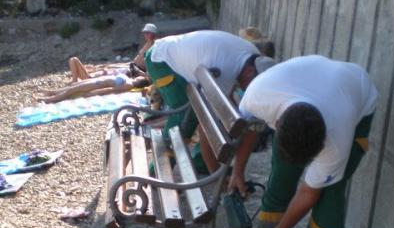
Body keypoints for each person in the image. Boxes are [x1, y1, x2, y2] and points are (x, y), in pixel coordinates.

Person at [229, 55, 378, 228]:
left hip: (355, 95)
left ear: (322, 142)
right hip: (316, 87)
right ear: (277, 124)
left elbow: (309, 192)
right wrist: (237, 171)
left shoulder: (338, 137)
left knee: (330, 194)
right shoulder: (258, 97)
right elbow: (248, 131)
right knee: (279, 183)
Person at [144, 29, 276, 140]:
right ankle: (166, 153)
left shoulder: (253, 54)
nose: (250, 89)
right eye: (253, 85)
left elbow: (228, 97)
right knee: (185, 116)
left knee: (192, 113)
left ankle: (181, 152)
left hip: (168, 50)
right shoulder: (224, 71)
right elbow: (214, 115)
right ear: (249, 71)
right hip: (160, 60)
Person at [66, 22, 157, 81]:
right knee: (103, 70)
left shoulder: (154, 47)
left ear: (152, 34)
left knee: (99, 73)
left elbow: (148, 66)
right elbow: (135, 62)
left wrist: (142, 74)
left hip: (132, 70)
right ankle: (77, 78)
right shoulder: (148, 44)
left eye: (147, 33)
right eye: (145, 33)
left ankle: (77, 79)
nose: (145, 35)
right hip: (130, 68)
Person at [37, 74, 151, 104]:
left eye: (142, 77)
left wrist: (94, 93)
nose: (140, 76)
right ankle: (51, 92)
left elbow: (111, 89)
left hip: (98, 85)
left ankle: (50, 100)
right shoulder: (129, 80)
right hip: (98, 80)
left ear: (140, 81)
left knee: (72, 90)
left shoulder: (129, 85)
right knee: (73, 86)